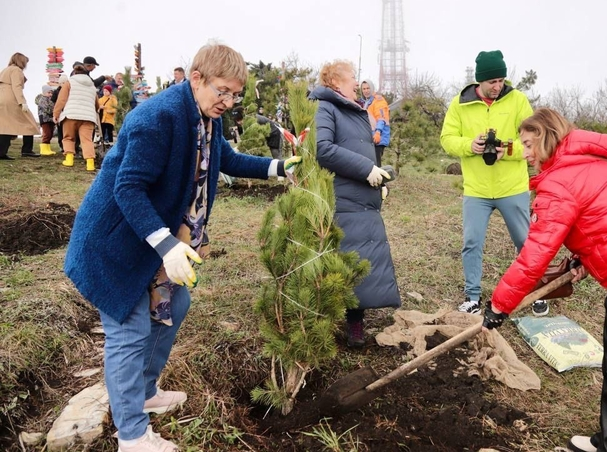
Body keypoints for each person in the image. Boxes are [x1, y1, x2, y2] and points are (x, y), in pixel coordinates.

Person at [63, 42, 301, 452]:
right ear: (196, 78)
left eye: (235, 94)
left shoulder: (206, 116)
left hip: (154, 240)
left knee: (176, 306)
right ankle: (133, 436)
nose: (228, 101)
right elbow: (128, 187)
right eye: (222, 91)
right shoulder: (157, 118)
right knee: (130, 329)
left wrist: (277, 167)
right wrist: (167, 245)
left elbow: (223, 157)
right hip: (117, 242)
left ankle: (145, 392)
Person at [482, 108, 607, 452]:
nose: (526, 153)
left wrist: (500, 305)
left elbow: (535, 255)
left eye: (530, 144)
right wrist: (584, 257)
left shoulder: (560, 181)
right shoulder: (591, 160)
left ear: (547, 138)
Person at [310, 60, 401, 348]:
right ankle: (338, 323)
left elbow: (365, 150)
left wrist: (379, 181)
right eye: (351, 77)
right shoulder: (326, 108)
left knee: (362, 258)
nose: (356, 81)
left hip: (364, 198)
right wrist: (366, 169)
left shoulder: (357, 110)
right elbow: (322, 149)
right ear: (336, 82)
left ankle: (356, 321)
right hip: (343, 197)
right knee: (344, 259)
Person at [440, 50, 533, 314]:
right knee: (472, 242)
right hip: (477, 190)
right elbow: (446, 139)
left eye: (501, 80)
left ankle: (534, 290)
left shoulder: (518, 101)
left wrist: (509, 150)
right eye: (492, 81)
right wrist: (470, 145)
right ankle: (472, 297)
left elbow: (533, 141)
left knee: (525, 242)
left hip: (512, 187)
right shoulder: (460, 103)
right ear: (479, 81)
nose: (498, 86)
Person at [53, 64, 100, 171]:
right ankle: (90, 164)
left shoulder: (69, 82)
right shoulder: (92, 85)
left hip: (71, 115)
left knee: (69, 137)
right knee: (87, 140)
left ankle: (69, 160)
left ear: (74, 73)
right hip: (88, 117)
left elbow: (61, 100)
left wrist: (56, 114)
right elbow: (97, 104)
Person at [0, 52, 41, 159]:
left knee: (6, 125)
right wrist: (22, 102)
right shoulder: (16, 70)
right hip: (12, 98)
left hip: (2, 98)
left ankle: (1, 152)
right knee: (29, 123)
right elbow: (16, 86)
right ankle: (27, 150)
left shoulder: (6, 70)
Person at [359, 79, 390, 166]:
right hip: (369, 137)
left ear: (372, 88)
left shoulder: (378, 101)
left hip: (378, 137)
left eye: (368, 88)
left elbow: (381, 118)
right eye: (364, 89)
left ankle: (378, 179)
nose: (366, 91)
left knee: (376, 164)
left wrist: (378, 132)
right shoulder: (364, 102)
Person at [36, 85, 58, 155]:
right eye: (49, 93)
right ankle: (43, 149)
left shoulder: (50, 99)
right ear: (44, 92)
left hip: (50, 119)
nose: (50, 94)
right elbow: (46, 109)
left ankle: (47, 148)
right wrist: (54, 112)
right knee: (47, 133)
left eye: (51, 93)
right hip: (45, 119)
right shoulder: (42, 100)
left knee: (50, 133)